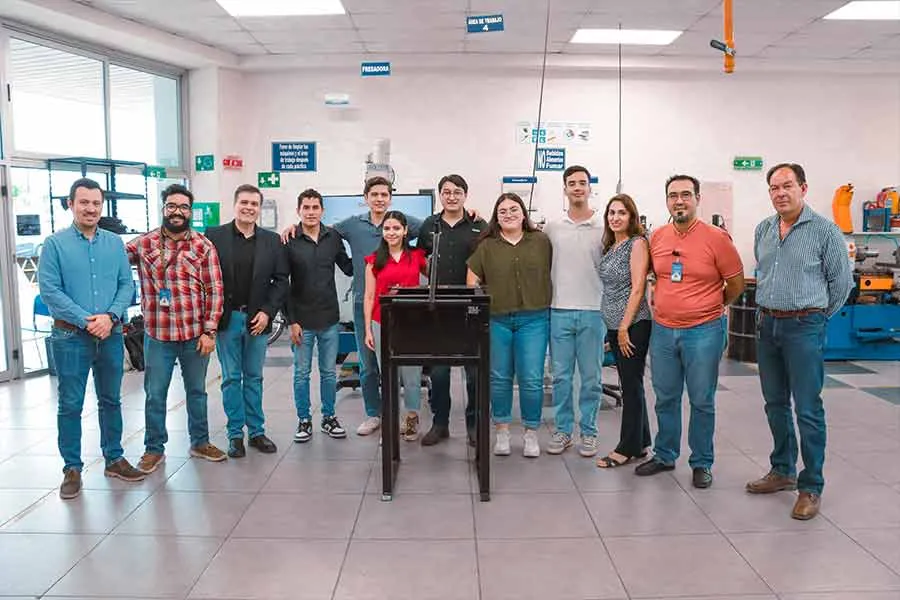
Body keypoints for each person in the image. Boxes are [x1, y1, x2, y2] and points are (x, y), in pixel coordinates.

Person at [747, 163, 853, 520]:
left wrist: (816, 318)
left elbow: (842, 284)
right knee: (774, 403)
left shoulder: (825, 231)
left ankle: (811, 486)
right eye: (774, 188)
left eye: (787, 186)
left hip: (804, 325)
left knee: (807, 408)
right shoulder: (763, 229)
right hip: (767, 325)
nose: (780, 193)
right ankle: (782, 470)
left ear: (803, 188)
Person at [282, 177, 422, 437]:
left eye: (384, 194)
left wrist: (470, 213)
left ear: (390, 198)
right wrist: (295, 227)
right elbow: (322, 229)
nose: (379, 199)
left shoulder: (404, 222)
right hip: (364, 304)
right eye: (374, 194)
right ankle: (373, 414)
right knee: (368, 365)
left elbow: (435, 227)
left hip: (401, 308)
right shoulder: (350, 225)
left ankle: (408, 415)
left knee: (405, 366)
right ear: (365, 197)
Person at [38, 178, 146, 499]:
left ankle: (114, 458)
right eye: (84, 202)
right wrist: (87, 321)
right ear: (70, 204)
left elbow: (127, 285)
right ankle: (72, 468)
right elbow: (50, 291)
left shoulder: (114, 244)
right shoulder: (54, 245)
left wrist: (110, 317)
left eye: (96, 203)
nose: (90, 208)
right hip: (70, 336)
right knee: (70, 404)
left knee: (111, 400)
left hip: (110, 334)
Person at [635, 174, 744, 488]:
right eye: (673, 195)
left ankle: (701, 462)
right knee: (665, 397)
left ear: (697, 198)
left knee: (701, 400)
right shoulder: (658, 237)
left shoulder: (716, 238)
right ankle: (665, 454)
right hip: (663, 331)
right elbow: (653, 276)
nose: (679, 201)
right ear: (667, 201)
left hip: (704, 331)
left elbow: (736, 283)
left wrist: (709, 307)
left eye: (685, 194)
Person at [127, 184, 226, 473]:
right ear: (164, 208)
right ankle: (153, 449)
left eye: (183, 207)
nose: (177, 212)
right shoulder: (144, 243)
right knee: (155, 394)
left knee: (197, 392)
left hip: (195, 335)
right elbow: (111, 259)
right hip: (158, 335)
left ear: (190, 211)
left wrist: (210, 331)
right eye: (172, 206)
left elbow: (215, 290)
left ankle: (200, 442)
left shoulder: (203, 246)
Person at [205, 184, 289, 458]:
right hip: (228, 319)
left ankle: (256, 432)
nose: (249, 208)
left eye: (254, 203)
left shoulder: (272, 241)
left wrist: (267, 312)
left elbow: (281, 281)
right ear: (235, 204)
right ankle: (234, 435)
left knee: (254, 377)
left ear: (259, 208)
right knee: (231, 378)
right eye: (244, 202)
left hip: (257, 320)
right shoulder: (214, 236)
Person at [467, 193, 552, 458]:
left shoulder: (541, 241)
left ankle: (530, 433)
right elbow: (471, 280)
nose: (509, 214)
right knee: (500, 377)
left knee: (531, 378)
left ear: (523, 213)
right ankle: (502, 432)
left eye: (514, 209)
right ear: (496, 217)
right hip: (497, 319)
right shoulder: (487, 246)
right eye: (502, 211)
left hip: (534, 319)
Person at [417, 174, 487, 446]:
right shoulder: (429, 225)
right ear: (440, 195)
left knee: (473, 371)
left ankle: (473, 425)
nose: (452, 196)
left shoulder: (479, 225)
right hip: (438, 308)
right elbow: (420, 258)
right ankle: (440, 424)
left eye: (458, 192)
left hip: (471, 307)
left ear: (465, 195)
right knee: (438, 372)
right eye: (446, 192)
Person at [543, 166, 606, 458]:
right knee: (561, 378)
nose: (578, 187)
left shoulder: (603, 226)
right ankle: (563, 430)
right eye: (572, 183)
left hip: (594, 311)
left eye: (582, 182)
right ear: (565, 189)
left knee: (591, 378)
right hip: (559, 311)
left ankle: (589, 432)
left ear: (590, 188)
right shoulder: (553, 227)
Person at [286, 188, 354, 443]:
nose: (311, 212)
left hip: (329, 319)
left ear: (322, 211)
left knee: (328, 373)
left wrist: (373, 254)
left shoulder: (333, 237)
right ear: (298, 210)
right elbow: (283, 282)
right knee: (301, 374)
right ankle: (304, 420)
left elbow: (348, 268)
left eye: (315, 207)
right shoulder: (289, 240)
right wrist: (291, 320)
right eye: (306, 207)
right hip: (301, 321)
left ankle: (329, 417)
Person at [595, 194, 653, 468]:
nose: (615, 217)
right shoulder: (611, 246)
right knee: (632, 384)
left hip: (633, 325)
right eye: (611, 212)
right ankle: (641, 442)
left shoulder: (637, 244)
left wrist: (623, 328)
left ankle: (626, 448)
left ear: (632, 217)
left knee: (630, 386)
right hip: (615, 326)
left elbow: (638, 288)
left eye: (622, 213)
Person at [363, 210, 428, 441]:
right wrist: (368, 329)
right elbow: (369, 296)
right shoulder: (374, 261)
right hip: (382, 323)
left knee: (412, 375)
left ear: (405, 230)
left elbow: (434, 280)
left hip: (412, 324)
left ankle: (411, 419)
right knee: (388, 375)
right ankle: (390, 422)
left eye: (396, 228)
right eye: (387, 228)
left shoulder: (417, 257)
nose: (391, 232)